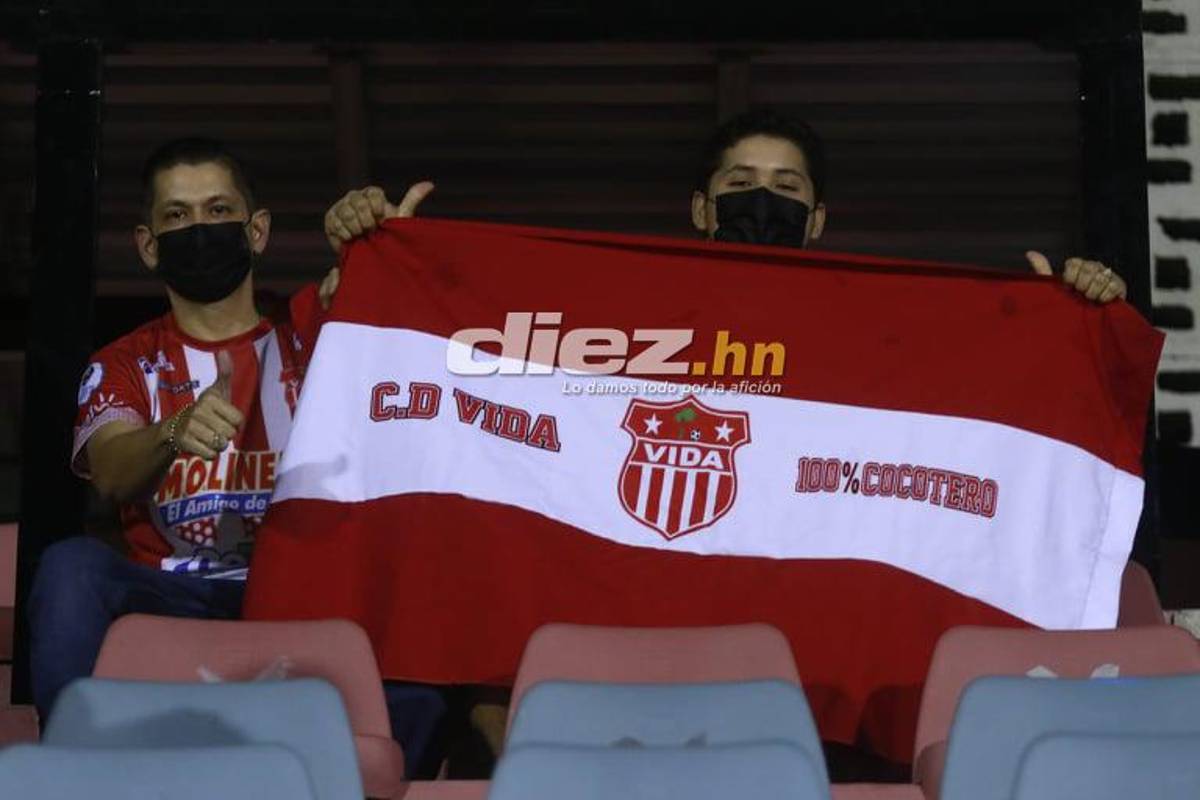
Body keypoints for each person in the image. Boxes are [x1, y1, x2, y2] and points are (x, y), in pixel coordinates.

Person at [27, 138, 444, 774]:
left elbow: (379, 316)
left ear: (256, 231)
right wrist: (175, 431)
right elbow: (109, 473)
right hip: (172, 595)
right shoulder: (122, 363)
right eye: (177, 216)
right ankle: (74, 775)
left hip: (308, 591)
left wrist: (387, 247)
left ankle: (358, 779)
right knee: (71, 569)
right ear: (146, 245)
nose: (199, 228)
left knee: (431, 585)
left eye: (218, 211)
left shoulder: (313, 332)